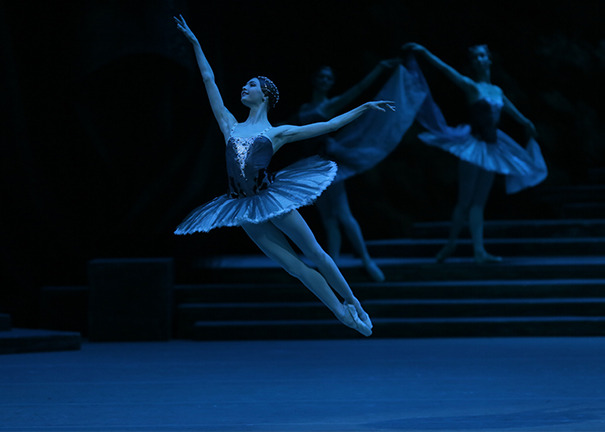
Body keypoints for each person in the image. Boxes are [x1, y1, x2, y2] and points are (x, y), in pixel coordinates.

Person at [173, 15, 395, 336]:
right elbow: (209, 80)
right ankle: (341, 314)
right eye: (245, 83)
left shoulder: (278, 132)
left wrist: (364, 107)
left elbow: (328, 125)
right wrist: (195, 43)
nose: (244, 87)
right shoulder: (229, 126)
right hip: (241, 206)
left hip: (271, 199)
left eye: (251, 84)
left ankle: (354, 303)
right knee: (294, 267)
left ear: (264, 95)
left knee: (315, 253)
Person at [402, 43, 547, 263]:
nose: (479, 60)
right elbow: (446, 71)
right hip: (474, 146)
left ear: (489, 59)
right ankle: (450, 245)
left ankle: (479, 251)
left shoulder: (496, 90)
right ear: (473, 62)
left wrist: (526, 122)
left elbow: (508, 108)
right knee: (465, 200)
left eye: (482, 56)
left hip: (492, 147)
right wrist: (425, 53)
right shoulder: (471, 86)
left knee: (479, 202)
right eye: (475, 57)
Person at [296, 61, 399, 282]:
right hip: (309, 166)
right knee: (328, 219)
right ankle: (331, 264)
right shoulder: (304, 108)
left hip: (327, 165)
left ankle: (366, 259)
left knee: (343, 213)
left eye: (329, 78)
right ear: (314, 79)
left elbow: (358, 91)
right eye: (321, 77)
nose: (325, 81)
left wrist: (379, 69)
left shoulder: (329, 106)